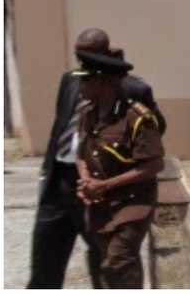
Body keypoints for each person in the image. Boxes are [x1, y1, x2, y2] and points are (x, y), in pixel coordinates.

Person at [74, 46, 165, 289]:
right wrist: (85, 179)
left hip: (133, 203)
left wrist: (104, 184)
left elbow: (154, 165)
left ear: (103, 81)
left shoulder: (137, 118)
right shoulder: (87, 114)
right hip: (101, 205)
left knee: (117, 262)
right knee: (116, 267)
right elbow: (81, 152)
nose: (80, 87)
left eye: (86, 80)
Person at [28, 28, 111, 289]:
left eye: (85, 55)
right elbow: (61, 124)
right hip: (59, 180)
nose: (79, 61)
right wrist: (46, 170)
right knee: (45, 258)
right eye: (77, 54)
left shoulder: (129, 86)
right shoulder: (70, 80)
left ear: (103, 53)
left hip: (95, 184)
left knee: (104, 257)